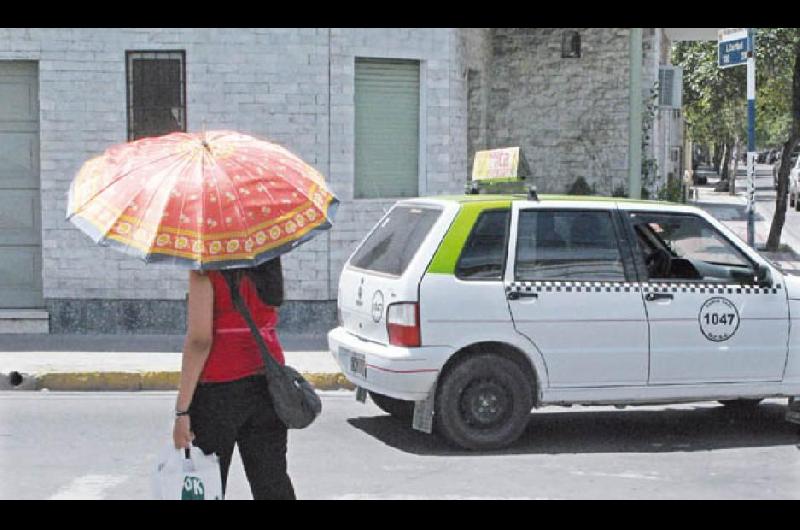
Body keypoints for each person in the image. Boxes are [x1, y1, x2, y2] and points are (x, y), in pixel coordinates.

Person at [172, 257, 295, 500]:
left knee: (206, 487)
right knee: (272, 484)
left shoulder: (205, 268)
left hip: (216, 392)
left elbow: (200, 340)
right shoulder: (267, 259)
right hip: (268, 383)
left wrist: (181, 410)